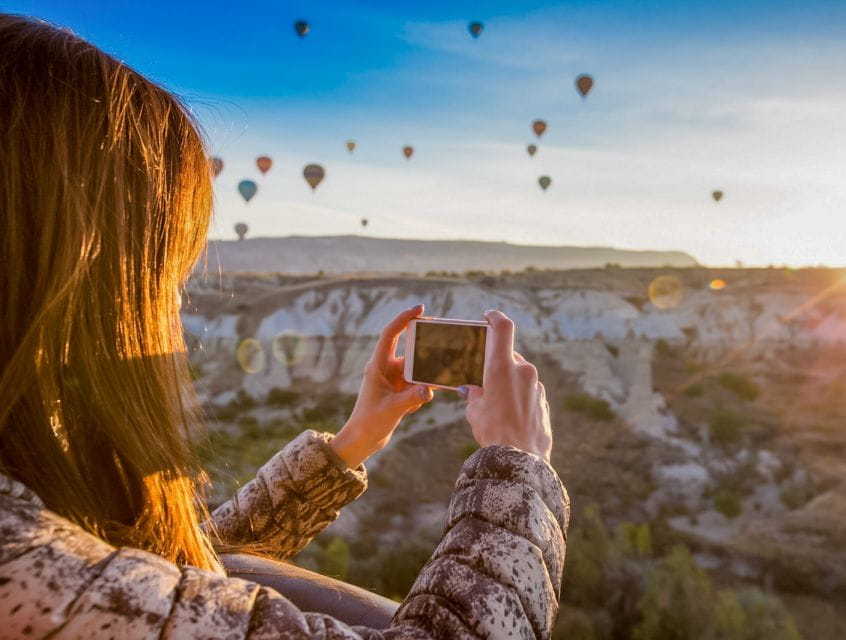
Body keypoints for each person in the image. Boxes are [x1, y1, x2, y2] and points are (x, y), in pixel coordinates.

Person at [0, 14, 568, 640]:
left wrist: (352, 442)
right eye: (162, 272)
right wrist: (516, 467)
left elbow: (164, 584)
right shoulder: (22, 566)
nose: (174, 317)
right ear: (61, 273)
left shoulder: (37, 552)